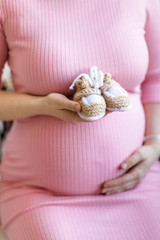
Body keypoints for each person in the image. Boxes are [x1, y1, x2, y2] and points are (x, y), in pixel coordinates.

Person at [0, 0, 160, 239]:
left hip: (139, 183)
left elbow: (155, 80)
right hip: (39, 194)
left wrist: (155, 143)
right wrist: (42, 106)